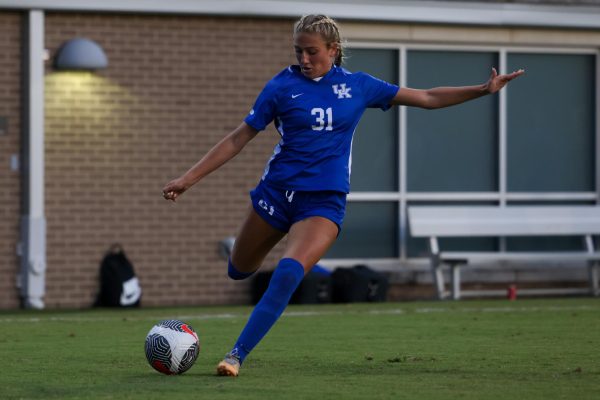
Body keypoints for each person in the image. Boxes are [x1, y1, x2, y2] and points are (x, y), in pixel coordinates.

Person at [162, 14, 524, 377]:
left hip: (322, 201)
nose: (304, 59)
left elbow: (427, 97)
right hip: (276, 192)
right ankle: (251, 260)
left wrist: (481, 89)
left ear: (334, 51)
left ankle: (236, 355)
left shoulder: (359, 86)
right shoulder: (280, 86)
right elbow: (239, 137)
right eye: (298, 51)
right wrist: (188, 179)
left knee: (288, 272)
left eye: (312, 52)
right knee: (238, 270)